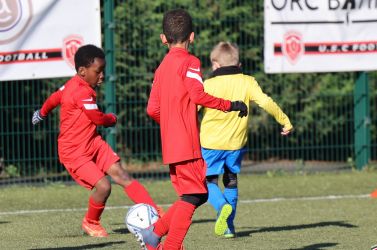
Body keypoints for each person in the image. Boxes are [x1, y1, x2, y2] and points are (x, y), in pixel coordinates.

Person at [136, 9, 248, 250]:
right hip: (186, 142)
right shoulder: (190, 62)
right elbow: (198, 95)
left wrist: (170, 124)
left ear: (163, 38)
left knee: (194, 194)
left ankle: (153, 233)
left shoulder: (161, 67)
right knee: (195, 195)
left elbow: (152, 109)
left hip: (171, 143)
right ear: (192, 36)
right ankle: (169, 245)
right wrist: (230, 105)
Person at [31, 44, 162, 238]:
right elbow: (98, 118)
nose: (101, 76)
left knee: (121, 174)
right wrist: (112, 118)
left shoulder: (73, 85)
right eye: (98, 71)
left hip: (92, 142)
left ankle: (154, 212)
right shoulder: (81, 92)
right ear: (82, 71)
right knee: (104, 186)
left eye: (103, 71)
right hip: (74, 152)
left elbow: (55, 97)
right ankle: (90, 222)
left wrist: (41, 113)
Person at [200, 41, 293, 238]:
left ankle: (221, 206)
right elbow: (266, 102)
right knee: (231, 180)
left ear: (215, 65)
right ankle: (229, 227)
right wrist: (284, 120)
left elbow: (191, 109)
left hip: (210, 144)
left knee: (208, 181)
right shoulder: (248, 81)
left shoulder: (207, 85)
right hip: (236, 144)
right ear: (238, 64)